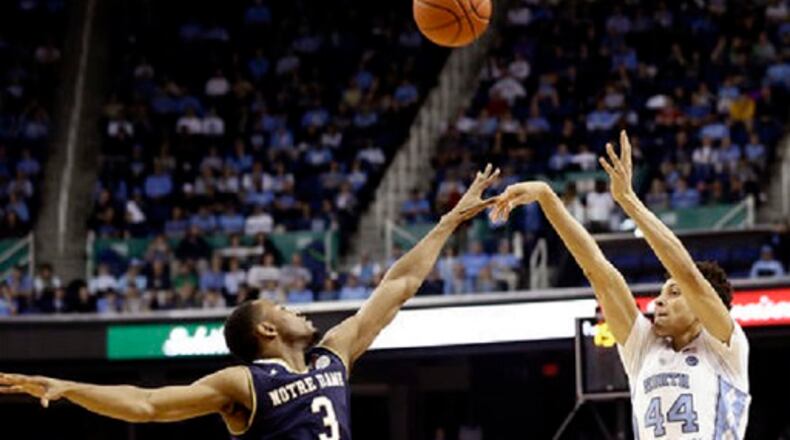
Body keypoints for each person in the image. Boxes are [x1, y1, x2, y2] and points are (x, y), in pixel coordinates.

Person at [0, 165, 500, 440]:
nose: (295, 309)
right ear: (265, 330)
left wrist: (448, 221)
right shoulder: (245, 382)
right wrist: (68, 387)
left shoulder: (334, 353)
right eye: (281, 308)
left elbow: (401, 284)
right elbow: (148, 404)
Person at [492, 131, 749, 439]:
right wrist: (548, 199)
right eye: (662, 293)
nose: (658, 302)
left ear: (704, 307)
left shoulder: (727, 347)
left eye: (674, 292)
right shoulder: (644, 348)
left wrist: (628, 201)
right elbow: (599, 273)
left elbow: (688, 275)